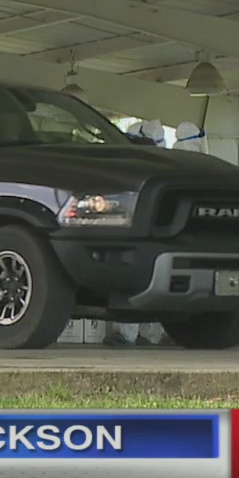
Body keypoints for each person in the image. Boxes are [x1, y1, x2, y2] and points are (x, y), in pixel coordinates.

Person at [106, 121, 166, 346]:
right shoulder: (162, 166)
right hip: (153, 239)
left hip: (136, 238)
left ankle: (128, 333)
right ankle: (149, 334)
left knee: (131, 286)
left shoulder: (135, 170)